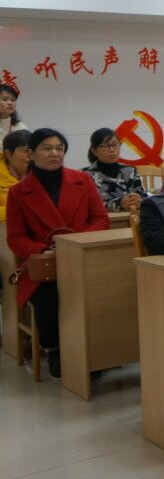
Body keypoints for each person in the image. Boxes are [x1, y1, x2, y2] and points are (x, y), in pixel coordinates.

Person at [6, 128, 110, 379]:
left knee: (106, 288)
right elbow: (16, 238)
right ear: (31, 154)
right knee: (48, 293)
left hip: (82, 257)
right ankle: (54, 349)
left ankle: (98, 348)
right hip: (45, 265)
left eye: (59, 148)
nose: (54, 153)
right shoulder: (19, 192)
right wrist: (45, 250)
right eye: (47, 148)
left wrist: (73, 244)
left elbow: (101, 219)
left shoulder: (82, 180)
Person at [82, 128, 148, 212]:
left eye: (114, 145)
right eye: (105, 146)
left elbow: (143, 196)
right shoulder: (84, 176)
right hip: (104, 219)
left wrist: (139, 200)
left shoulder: (130, 171)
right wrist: (118, 203)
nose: (112, 150)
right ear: (94, 151)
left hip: (131, 217)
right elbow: (87, 206)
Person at [0, 129, 31, 223]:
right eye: (25, 151)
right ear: (8, 154)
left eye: (34, 150)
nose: (31, 156)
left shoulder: (44, 173)